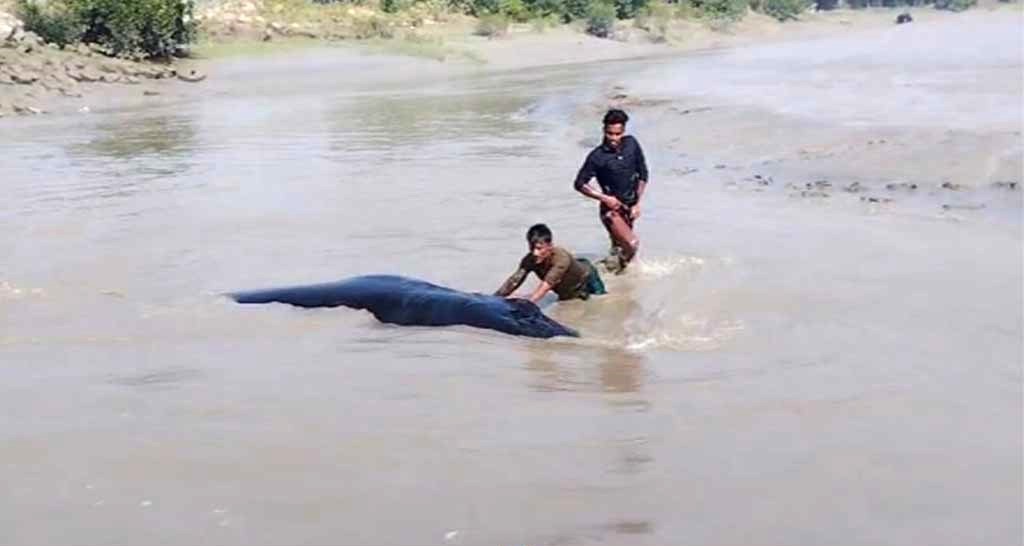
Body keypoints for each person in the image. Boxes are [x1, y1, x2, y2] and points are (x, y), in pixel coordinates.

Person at [573, 108, 649, 273]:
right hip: (610, 210)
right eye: (610, 134)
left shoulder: (632, 144)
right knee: (632, 243)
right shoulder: (597, 156)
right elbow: (579, 183)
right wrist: (604, 198)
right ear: (604, 130)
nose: (614, 139)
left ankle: (615, 281)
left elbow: (643, 174)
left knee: (619, 247)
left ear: (623, 131)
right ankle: (628, 274)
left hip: (630, 206)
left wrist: (637, 203)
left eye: (618, 134)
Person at [494, 224, 606, 304]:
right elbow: (514, 281)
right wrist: (495, 299)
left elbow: (546, 285)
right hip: (566, 291)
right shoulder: (529, 260)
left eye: (539, 248)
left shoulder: (561, 259)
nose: (535, 253)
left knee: (601, 303)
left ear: (550, 246)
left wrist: (529, 303)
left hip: (587, 278)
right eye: (532, 248)